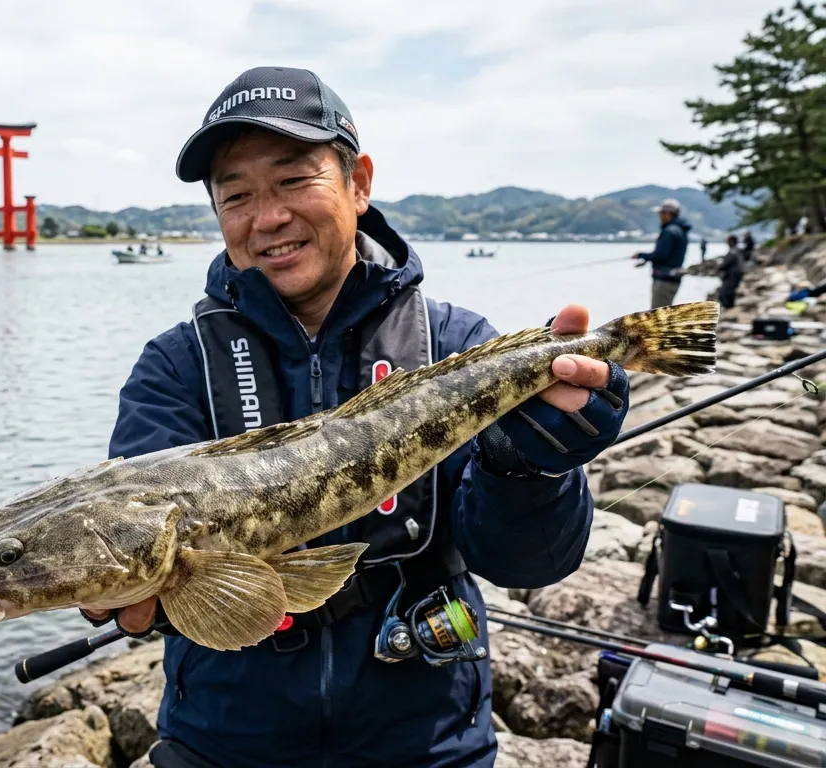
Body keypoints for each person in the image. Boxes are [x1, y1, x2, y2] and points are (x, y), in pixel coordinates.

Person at [85, 66, 628, 768]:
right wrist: (133, 595)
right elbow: (142, 562)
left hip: (427, 738)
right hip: (224, 740)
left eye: (292, 181)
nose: (267, 217)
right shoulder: (176, 365)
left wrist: (532, 465)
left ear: (358, 182)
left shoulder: (458, 348)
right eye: (236, 195)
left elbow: (531, 561)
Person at [631, 199, 691, 308]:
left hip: (664, 281)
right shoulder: (680, 230)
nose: (659, 216)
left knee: (657, 317)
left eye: (660, 213)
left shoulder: (670, 231)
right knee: (666, 314)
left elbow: (660, 255)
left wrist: (641, 255)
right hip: (673, 279)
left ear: (667, 214)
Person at [718, 235, 745, 309]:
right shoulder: (736, 250)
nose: (727, 243)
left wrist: (720, 267)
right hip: (734, 275)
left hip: (733, 275)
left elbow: (726, 264)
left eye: (728, 241)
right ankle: (729, 307)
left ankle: (728, 307)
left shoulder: (734, 252)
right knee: (728, 292)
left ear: (732, 242)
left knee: (726, 292)